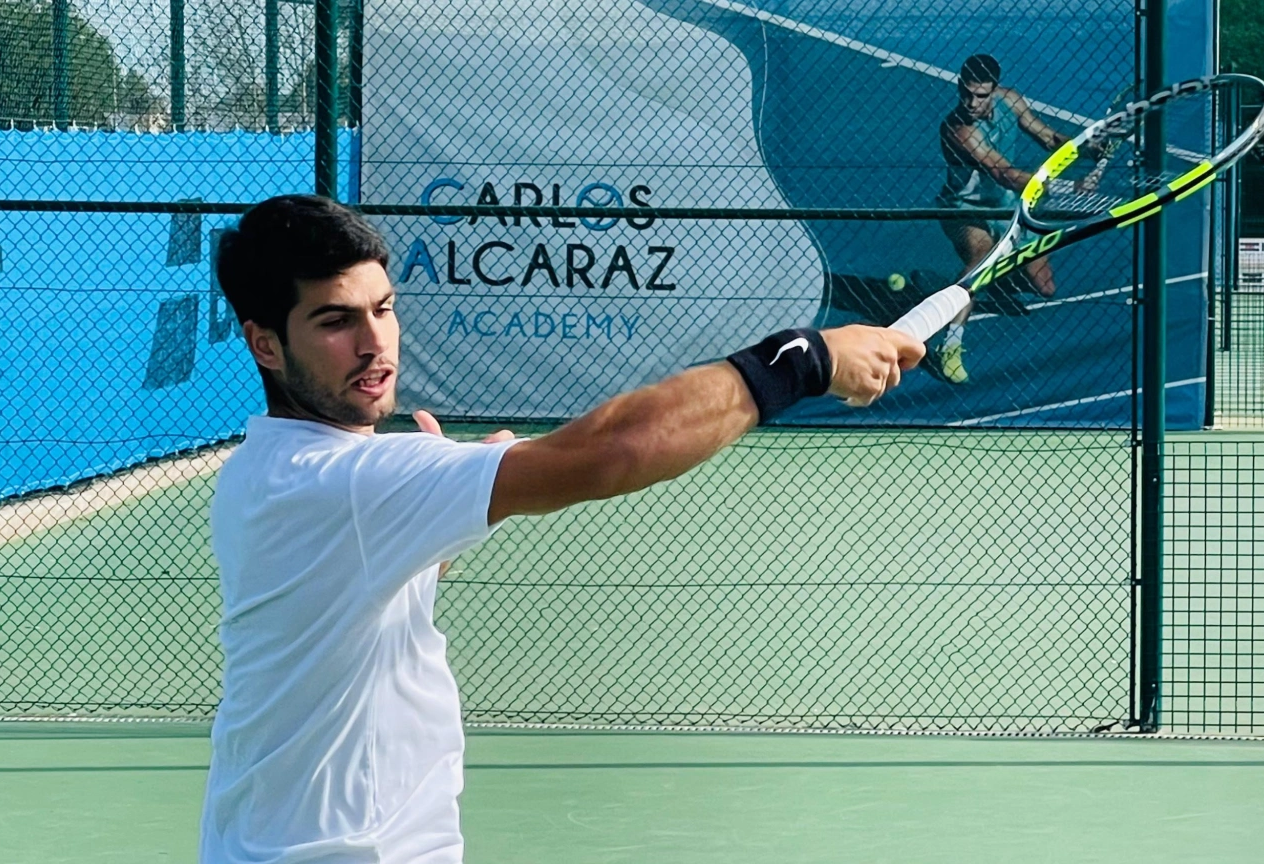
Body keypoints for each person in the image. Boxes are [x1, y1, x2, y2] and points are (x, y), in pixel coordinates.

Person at [199, 195, 923, 863]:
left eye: (383, 309)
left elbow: (346, 598)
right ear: (266, 344)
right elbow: (613, 451)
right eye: (335, 322)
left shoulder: (261, 470)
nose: (374, 343)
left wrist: (442, 508)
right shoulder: (354, 483)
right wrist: (804, 360)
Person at [921, 53, 1073, 384]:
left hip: (1006, 204)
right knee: (981, 258)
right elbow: (1003, 173)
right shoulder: (958, 129)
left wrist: (1085, 148)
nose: (971, 103)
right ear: (960, 86)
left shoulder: (1011, 100)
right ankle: (951, 345)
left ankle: (999, 276)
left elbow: (1049, 138)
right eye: (966, 93)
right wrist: (1063, 187)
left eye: (980, 95)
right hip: (964, 209)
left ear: (995, 90)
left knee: (1045, 288)